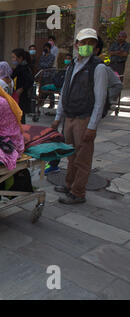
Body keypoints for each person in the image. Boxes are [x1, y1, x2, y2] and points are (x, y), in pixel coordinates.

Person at [51, 28, 108, 205]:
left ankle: (78, 192)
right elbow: (64, 92)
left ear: (96, 47)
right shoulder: (72, 65)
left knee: (82, 159)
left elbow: (100, 100)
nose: (86, 46)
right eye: (83, 42)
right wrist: (57, 117)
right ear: (76, 45)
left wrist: (92, 126)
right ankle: (69, 185)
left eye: (91, 43)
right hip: (70, 117)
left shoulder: (98, 68)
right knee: (71, 156)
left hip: (84, 119)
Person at [11, 48, 34, 124]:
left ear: (20, 58)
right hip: (20, 93)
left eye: (14, 57)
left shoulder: (24, 68)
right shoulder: (20, 67)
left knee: (20, 114)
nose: (13, 59)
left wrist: (22, 89)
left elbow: (30, 80)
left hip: (22, 95)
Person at [38, 43, 56, 110]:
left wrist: (43, 65)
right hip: (42, 75)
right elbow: (40, 64)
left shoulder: (52, 56)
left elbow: (49, 64)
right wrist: (43, 65)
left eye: (47, 48)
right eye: (44, 47)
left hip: (49, 75)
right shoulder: (42, 56)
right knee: (42, 89)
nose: (45, 49)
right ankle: (41, 101)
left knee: (50, 90)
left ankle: (52, 103)